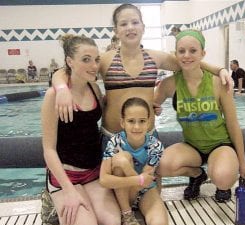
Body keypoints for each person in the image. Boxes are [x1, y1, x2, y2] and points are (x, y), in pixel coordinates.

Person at [52, 4, 231, 138]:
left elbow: (189, 61)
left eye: (135, 22)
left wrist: (220, 69)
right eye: (123, 24)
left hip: (148, 137)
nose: (130, 27)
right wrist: (61, 88)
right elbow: (68, 70)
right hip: (113, 136)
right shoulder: (105, 59)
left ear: (143, 27)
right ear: (116, 31)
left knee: (152, 187)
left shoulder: (154, 58)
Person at [154, 29, 245, 202]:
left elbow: (232, 124)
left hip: (220, 145)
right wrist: (154, 109)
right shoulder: (169, 85)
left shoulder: (218, 83)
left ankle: (221, 181)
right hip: (192, 146)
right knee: (160, 165)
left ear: (203, 54)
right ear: (175, 54)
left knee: (223, 178)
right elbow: (146, 109)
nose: (186, 56)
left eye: (193, 51)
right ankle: (197, 174)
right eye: (181, 51)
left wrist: (243, 163)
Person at [41, 34, 121, 225]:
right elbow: (48, 149)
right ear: (69, 61)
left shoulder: (93, 87)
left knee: (112, 224)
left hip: (92, 171)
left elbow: (109, 110)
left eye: (96, 60)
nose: (94, 66)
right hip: (66, 176)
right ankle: (51, 196)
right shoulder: (54, 96)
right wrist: (69, 191)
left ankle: (82, 199)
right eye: (85, 59)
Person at [100, 97, 168, 225]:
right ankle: (127, 213)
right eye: (131, 121)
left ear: (148, 122)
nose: (136, 127)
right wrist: (127, 167)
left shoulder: (155, 146)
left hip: (143, 192)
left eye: (142, 121)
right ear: (122, 122)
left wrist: (136, 178)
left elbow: (144, 184)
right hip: (121, 193)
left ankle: (139, 209)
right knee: (122, 158)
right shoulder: (115, 142)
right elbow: (104, 179)